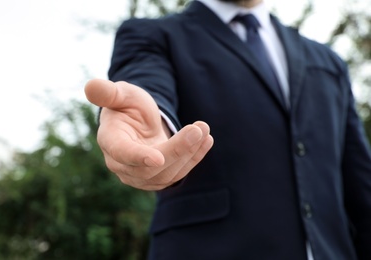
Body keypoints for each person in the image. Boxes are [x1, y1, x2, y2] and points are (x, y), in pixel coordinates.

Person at [84, 0, 371, 259]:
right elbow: (147, 84)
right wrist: (154, 122)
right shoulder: (154, 35)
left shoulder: (328, 61)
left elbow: (360, 184)